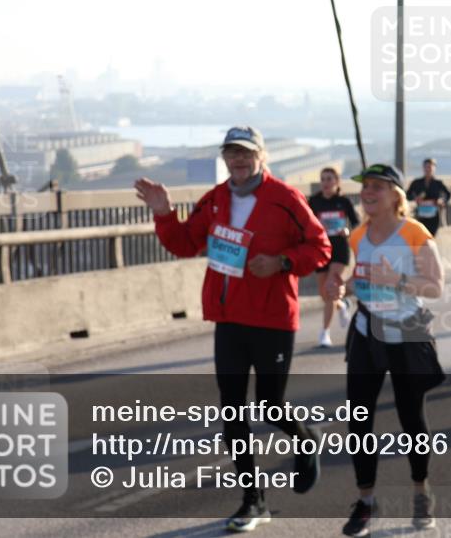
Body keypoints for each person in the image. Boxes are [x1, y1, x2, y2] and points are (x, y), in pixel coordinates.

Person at [135, 126, 331, 533]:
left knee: (271, 406)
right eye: (231, 154)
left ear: (261, 155)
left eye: (246, 153)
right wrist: (163, 212)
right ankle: (252, 500)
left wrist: (281, 262)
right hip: (229, 319)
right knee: (232, 410)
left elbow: (320, 247)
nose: (239, 161)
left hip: (273, 317)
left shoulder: (285, 198)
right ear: (224, 159)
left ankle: (305, 438)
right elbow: (186, 243)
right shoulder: (216, 199)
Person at [323, 163, 445, 537]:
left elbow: (436, 287)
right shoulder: (358, 236)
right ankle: (366, 501)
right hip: (366, 332)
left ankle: (421, 491)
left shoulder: (414, 233)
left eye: (377, 186)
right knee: (358, 419)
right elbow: (358, 279)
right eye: (365, 187)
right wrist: (340, 287)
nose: (368, 192)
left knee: (411, 419)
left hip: (406, 334)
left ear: (395, 194)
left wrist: (399, 279)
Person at [308, 167, 360, 348]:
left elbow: (357, 224)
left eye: (329, 179)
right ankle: (342, 305)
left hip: (339, 248)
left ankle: (325, 333)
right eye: (323, 179)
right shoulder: (314, 201)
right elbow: (304, 224)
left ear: (336, 181)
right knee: (325, 293)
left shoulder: (343, 201)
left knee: (331, 287)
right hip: (321, 249)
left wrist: (347, 231)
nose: (326, 182)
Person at [406, 158, 451, 237]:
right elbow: (407, 195)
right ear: (423, 168)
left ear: (434, 168)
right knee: (420, 237)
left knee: (430, 237)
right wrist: (415, 198)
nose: (428, 169)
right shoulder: (416, 182)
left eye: (430, 167)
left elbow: (449, 194)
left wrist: (442, 201)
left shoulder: (438, 183)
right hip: (420, 216)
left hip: (434, 216)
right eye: (426, 167)